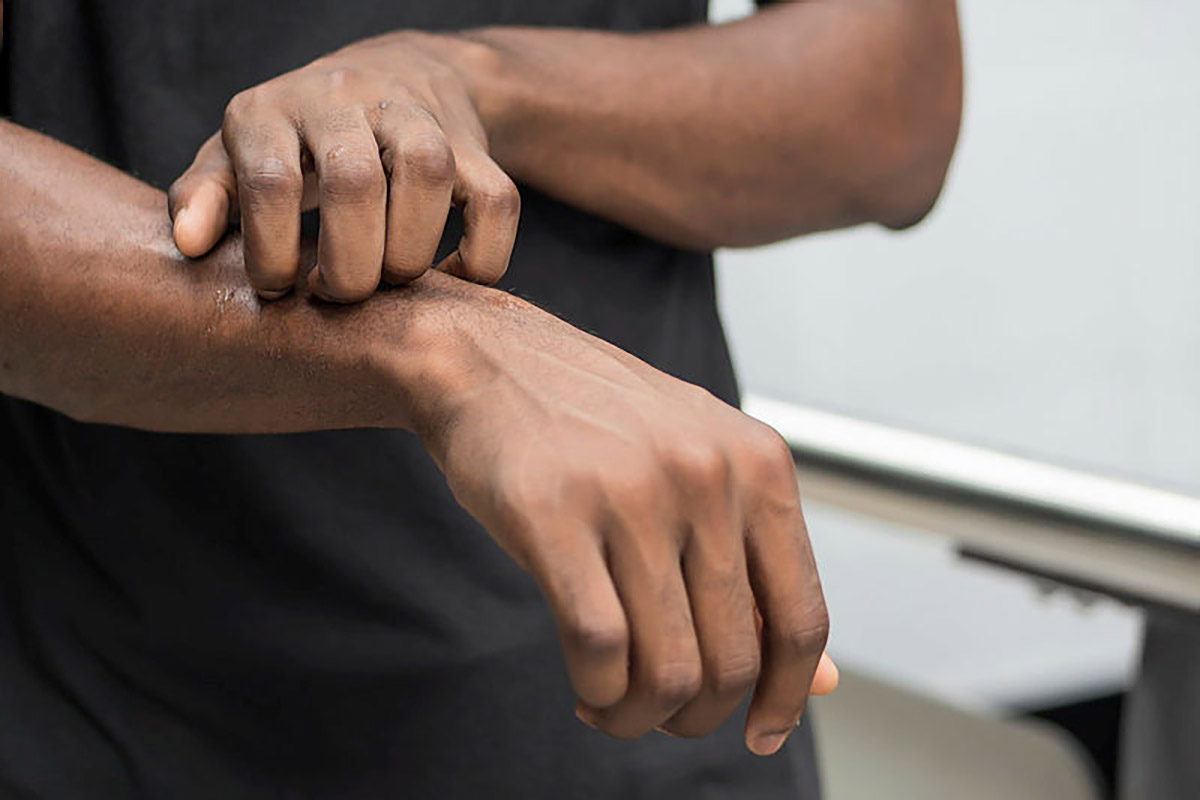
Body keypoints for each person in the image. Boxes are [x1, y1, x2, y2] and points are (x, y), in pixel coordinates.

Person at [0, 0, 962, 797]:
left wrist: (469, 79)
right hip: (131, 715)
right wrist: (445, 350)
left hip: (654, 704)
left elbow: (890, 112)